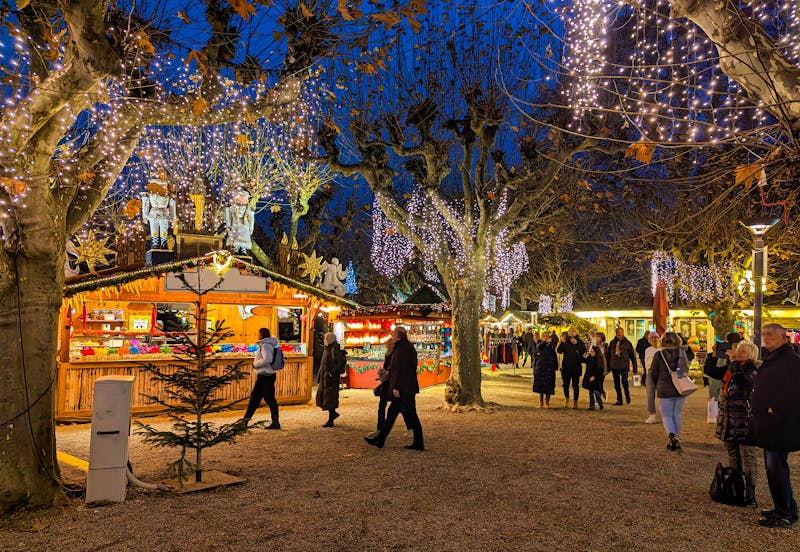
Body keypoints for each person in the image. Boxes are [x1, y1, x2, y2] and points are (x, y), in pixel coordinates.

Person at [750, 324, 800, 528]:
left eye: (771, 334)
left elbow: (794, 390)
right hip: (772, 423)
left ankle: (785, 512)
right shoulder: (776, 357)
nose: (766, 338)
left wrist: (775, 408)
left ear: (783, 337)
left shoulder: (789, 360)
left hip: (780, 424)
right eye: (765, 334)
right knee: (776, 468)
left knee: (776, 467)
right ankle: (785, 507)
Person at [706, 340, 759, 507]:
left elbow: (745, 382)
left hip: (744, 421)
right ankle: (736, 489)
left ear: (751, 354)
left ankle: (750, 495)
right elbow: (711, 372)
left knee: (748, 457)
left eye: (742, 351)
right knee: (733, 455)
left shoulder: (754, 369)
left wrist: (733, 362)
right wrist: (713, 356)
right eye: (738, 350)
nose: (738, 353)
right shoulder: (731, 368)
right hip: (728, 419)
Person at [365, 327, 424, 451]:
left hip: (403, 389)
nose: (392, 336)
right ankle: (380, 439)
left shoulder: (403, 349)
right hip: (405, 387)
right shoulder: (404, 347)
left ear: (399, 336)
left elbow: (401, 370)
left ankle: (418, 442)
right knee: (392, 414)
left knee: (410, 414)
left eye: (394, 334)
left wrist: (397, 387)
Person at [648, 332, 689, 451]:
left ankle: (672, 436)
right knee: (676, 414)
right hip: (680, 387)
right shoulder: (682, 353)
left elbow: (653, 372)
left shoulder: (659, 354)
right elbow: (686, 369)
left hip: (664, 386)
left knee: (666, 415)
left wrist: (655, 385)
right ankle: (675, 437)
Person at [241, 328, 280, 429]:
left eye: (258, 333)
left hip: (265, 375)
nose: (257, 335)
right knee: (265, 399)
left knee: (258, 399)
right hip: (268, 375)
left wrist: (255, 364)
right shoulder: (268, 344)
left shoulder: (265, 345)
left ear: (261, 334)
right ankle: (275, 422)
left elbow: (268, 359)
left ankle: (245, 421)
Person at [315, 332, 347, 427]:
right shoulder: (329, 349)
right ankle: (332, 415)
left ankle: (331, 419)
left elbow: (340, 362)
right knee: (327, 397)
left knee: (330, 397)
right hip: (326, 378)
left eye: (325, 338)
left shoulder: (334, 349)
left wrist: (332, 372)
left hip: (330, 378)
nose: (324, 340)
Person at [557, 326, 586, 409]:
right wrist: (562, 342)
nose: (571, 332)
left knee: (575, 385)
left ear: (576, 332)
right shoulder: (566, 341)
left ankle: (575, 402)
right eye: (570, 331)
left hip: (576, 366)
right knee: (566, 385)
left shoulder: (579, 341)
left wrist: (576, 344)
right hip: (566, 366)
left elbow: (583, 350)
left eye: (573, 331)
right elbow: (559, 350)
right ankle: (567, 399)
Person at [606, 327, 636, 405]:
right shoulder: (612, 342)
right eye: (617, 332)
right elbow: (608, 355)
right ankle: (619, 399)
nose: (618, 334)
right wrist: (608, 367)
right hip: (614, 365)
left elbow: (632, 356)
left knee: (624, 381)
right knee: (616, 384)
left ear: (623, 333)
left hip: (624, 365)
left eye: (620, 332)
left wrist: (634, 368)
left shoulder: (627, 343)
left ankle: (627, 395)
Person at [581, 333, 607, 411]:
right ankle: (591, 405)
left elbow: (598, 370)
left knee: (596, 391)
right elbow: (583, 359)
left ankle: (600, 403)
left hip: (596, 377)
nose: (591, 353)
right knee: (591, 391)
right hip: (590, 376)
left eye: (592, 352)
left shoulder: (598, 361)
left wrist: (594, 376)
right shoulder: (590, 359)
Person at [533, 331, 558, 408]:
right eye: (544, 336)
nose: (546, 337)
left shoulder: (551, 345)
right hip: (541, 367)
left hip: (550, 368)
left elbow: (554, 355)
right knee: (541, 386)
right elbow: (538, 347)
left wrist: (555, 366)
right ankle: (541, 402)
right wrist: (544, 341)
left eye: (547, 336)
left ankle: (547, 401)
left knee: (549, 386)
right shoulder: (540, 343)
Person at [643, 332, 662, 424]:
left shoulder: (662, 349)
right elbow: (646, 363)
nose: (654, 340)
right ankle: (652, 414)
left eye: (656, 338)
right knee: (650, 394)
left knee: (663, 393)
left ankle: (666, 413)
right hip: (650, 372)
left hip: (661, 372)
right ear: (649, 340)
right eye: (652, 338)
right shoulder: (648, 350)